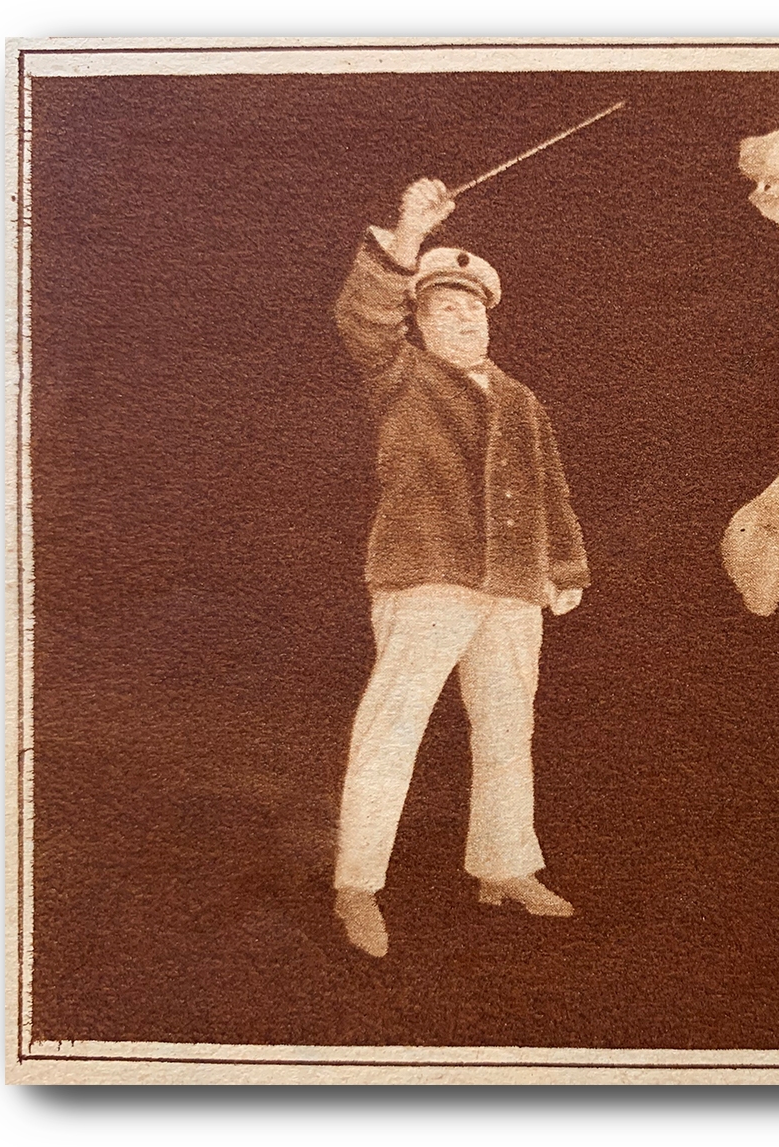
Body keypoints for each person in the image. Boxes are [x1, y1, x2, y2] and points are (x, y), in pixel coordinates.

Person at [331, 177, 590, 958]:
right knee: (393, 727)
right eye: (444, 307)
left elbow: (550, 487)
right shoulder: (399, 373)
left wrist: (563, 567)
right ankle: (356, 885)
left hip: (512, 588)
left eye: (473, 308)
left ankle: (504, 866)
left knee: (508, 729)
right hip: (426, 576)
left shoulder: (522, 400)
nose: (463, 317)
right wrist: (409, 232)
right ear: (418, 319)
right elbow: (363, 317)